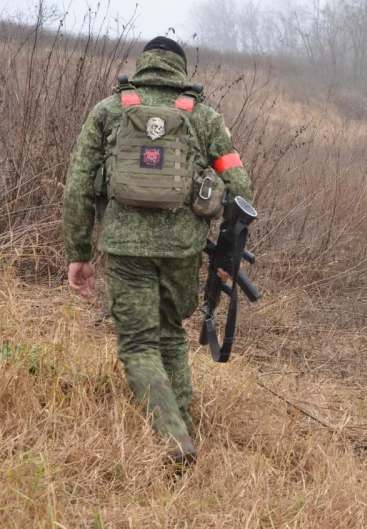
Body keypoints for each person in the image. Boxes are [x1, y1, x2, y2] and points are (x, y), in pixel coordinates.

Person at [62, 37, 252, 466]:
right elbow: (241, 189)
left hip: (125, 249)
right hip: (181, 251)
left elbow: (77, 187)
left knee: (138, 344)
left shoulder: (108, 111)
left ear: (143, 65)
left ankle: (172, 436)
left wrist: (79, 253)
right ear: (180, 71)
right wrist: (227, 253)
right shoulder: (204, 118)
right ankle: (182, 426)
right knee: (169, 334)